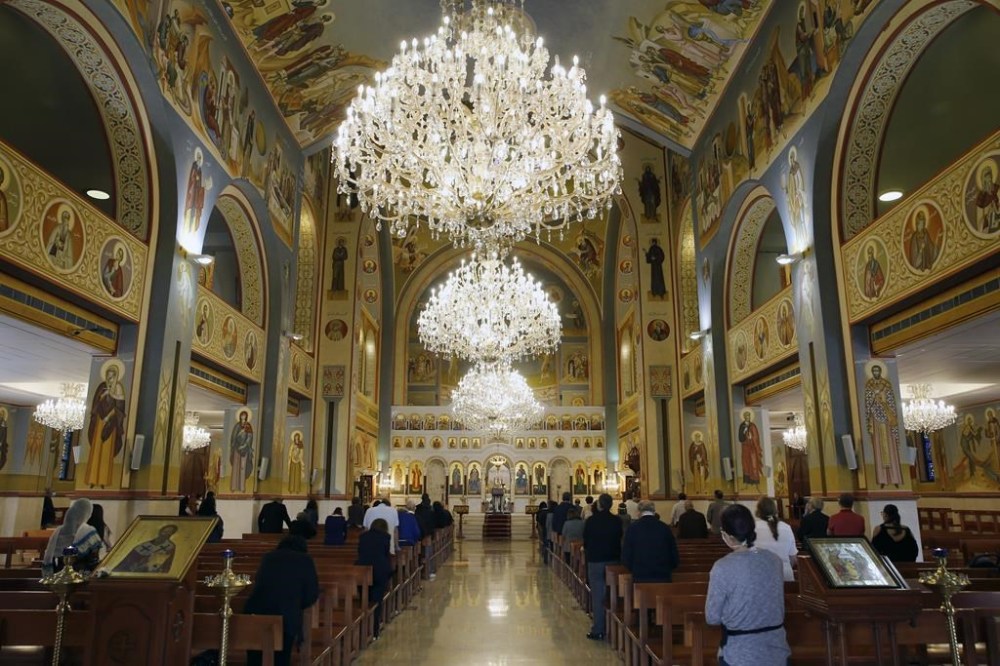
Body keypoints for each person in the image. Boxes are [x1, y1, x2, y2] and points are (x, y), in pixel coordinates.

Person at [706, 504, 791, 665]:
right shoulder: (774, 560)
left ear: (726, 535)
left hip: (739, 654)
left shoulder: (722, 567)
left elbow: (712, 617)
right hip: (777, 651)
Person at [244, 535, 319, 666]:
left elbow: (258, 582)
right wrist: (297, 604)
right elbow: (312, 594)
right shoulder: (305, 560)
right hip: (286, 614)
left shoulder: (268, 557)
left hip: (257, 612)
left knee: (255, 657)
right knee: (281, 658)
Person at [583, 493, 623, 641]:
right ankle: (615, 630)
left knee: (598, 595)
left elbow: (586, 541)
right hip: (613, 561)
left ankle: (599, 629)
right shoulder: (616, 521)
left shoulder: (591, 521)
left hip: (595, 561)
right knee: (612, 594)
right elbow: (619, 537)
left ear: (599, 505)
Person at [623, 500, 680, 583]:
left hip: (640, 576)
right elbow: (674, 556)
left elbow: (626, 556)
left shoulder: (632, 528)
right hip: (662, 576)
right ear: (654, 511)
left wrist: (634, 569)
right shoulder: (664, 528)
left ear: (639, 512)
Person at [42, 498, 102, 575]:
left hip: (58, 573)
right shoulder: (88, 531)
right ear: (87, 513)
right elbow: (93, 559)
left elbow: (52, 555)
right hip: (81, 574)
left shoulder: (58, 531)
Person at [356, 518, 392, 639]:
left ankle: (362, 629)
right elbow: (386, 554)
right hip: (379, 571)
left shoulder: (363, 536)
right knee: (377, 601)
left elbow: (360, 552)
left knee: (364, 600)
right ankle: (374, 631)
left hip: (362, 570)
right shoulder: (386, 537)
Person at [754, 497, 797, 582]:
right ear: (775, 510)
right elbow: (793, 558)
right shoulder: (786, 528)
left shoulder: (753, 528)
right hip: (785, 575)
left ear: (758, 512)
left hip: (760, 575)